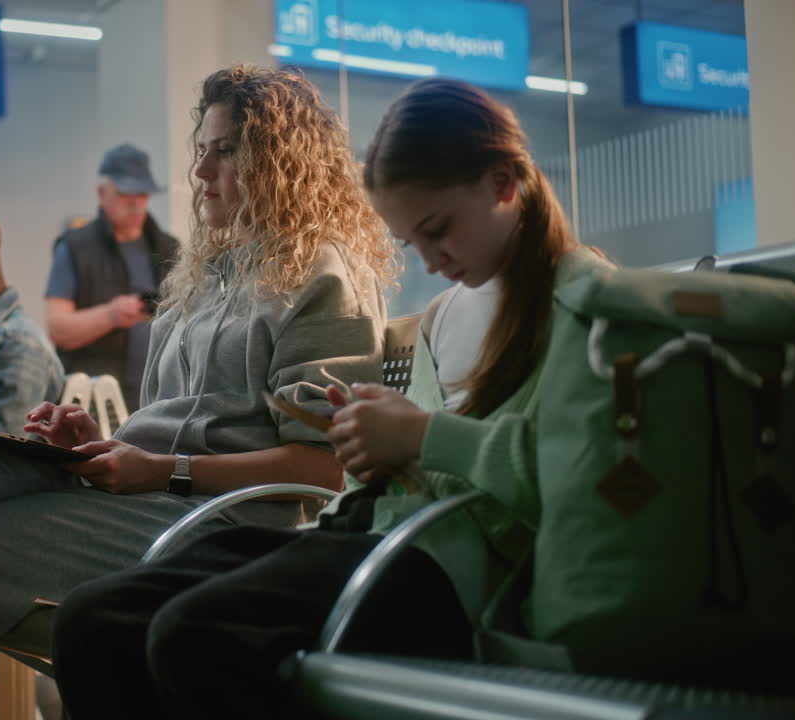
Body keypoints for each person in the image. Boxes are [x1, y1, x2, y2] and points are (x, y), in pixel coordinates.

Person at [0, 64, 396, 720]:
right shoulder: (203, 275)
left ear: (281, 161)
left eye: (226, 151)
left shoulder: (323, 276)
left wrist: (165, 469)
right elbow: (164, 422)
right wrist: (101, 443)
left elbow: (324, 467)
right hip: (150, 498)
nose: (201, 171)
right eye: (201, 151)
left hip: (221, 525)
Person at [50, 77, 611, 720]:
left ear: (503, 184)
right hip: (371, 531)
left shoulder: (586, 303)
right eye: (412, 243)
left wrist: (420, 439)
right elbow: (424, 469)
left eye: (438, 229)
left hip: (444, 566)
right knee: (92, 619)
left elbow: (575, 481)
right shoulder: (449, 311)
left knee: (194, 634)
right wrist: (377, 446)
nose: (429, 260)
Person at [44, 143, 180, 411]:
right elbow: (58, 328)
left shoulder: (170, 249)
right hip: (94, 405)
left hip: (159, 400)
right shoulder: (74, 247)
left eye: (142, 193)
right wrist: (111, 315)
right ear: (101, 193)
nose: (135, 203)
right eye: (125, 193)